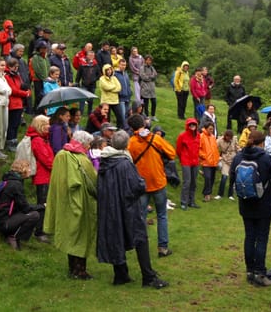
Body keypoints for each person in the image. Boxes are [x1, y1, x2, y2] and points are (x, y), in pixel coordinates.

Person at [97, 129, 169, 289]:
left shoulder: (105, 161)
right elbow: (136, 186)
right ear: (125, 145)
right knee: (140, 238)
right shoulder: (124, 163)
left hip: (111, 207)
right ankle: (148, 277)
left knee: (117, 237)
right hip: (127, 206)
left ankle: (120, 275)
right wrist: (141, 182)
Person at [44, 130, 98, 280]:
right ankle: (80, 270)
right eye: (88, 145)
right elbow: (93, 183)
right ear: (83, 144)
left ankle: (72, 268)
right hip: (80, 203)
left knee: (69, 235)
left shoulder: (60, 155)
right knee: (81, 235)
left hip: (63, 202)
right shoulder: (82, 160)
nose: (88, 148)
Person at [230, 130, 271, 287]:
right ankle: (260, 272)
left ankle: (250, 271)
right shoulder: (266, 158)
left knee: (249, 236)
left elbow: (232, 178)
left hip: (245, 204)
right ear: (262, 142)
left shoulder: (238, 157)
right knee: (262, 238)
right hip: (264, 204)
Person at [127, 114, 177, 258]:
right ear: (143, 123)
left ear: (131, 127)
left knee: (141, 217)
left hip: (141, 184)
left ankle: (142, 248)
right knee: (162, 215)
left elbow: (128, 161)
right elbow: (172, 153)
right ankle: (163, 248)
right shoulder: (156, 138)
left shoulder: (131, 143)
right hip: (158, 181)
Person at [0, 159, 44, 250]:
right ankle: (13, 237)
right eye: (29, 168)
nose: (30, 170)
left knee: (28, 213)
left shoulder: (9, 180)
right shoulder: (16, 185)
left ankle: (6, 233)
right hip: (4, 222)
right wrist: (42, 206)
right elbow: (25, 208)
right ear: (23, 169)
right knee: (34, 215)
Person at [25, 115, 53, 243]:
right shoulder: (37, 140)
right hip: (43, 177)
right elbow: (46, 160)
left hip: (46, 176)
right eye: (47, 124)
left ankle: (41, 229)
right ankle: (38, 231)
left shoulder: (43, 139)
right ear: (41, 125)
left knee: (45, 204)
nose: (50, 126)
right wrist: (56, 166)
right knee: (42, 204)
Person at [4, 57, 31, 152]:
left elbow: (21, 85)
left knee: (16, 124)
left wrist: (27, 90)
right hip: (12, 103)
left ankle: (14, 140)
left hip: (19, 103)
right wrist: (25, 93)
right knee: (11, 124)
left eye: (17, 67)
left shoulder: (17, 75)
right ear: (10, 67)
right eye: (15, 67)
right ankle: (10, 141)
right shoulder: (7, 76)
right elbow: (13, 90)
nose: (16, 69)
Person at [176, 118, 201, 210]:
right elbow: (178, 149)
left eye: (194, 125)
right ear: (187, 126)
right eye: (190, 125)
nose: (192, 126)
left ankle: (191, 201)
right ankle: (184, 202)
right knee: (187, 182)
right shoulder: (182, 136)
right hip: (186, 161)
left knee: (194, 182)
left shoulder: (198, 135)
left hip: (195, 161)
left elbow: (198, 148)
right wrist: (182, 158)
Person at [199, 122, 220, 202]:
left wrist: (217, 158)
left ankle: (208, 193)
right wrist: (204, 156)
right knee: (207, 177)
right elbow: (198, 148)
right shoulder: (201, 136)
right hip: (206, 161)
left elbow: (215, 149)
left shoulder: (213, 137)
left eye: (212, 129)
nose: (211, 130)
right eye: (210, 129)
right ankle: (207, 194)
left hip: (214, 161)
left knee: (212, 178)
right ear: (206, 128)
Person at [216, 129, 239, 200]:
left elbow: (237, 148)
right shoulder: (220, 140)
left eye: (230, 137)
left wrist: (240, 152)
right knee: (224, 177)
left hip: (233, 160)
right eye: (228, 137)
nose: (229, 138)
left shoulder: (234, 139)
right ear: (225, 136)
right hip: (225, 160)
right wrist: (218, 157)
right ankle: (220, 194)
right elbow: (214, 148)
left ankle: (230, 195)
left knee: (232, 178)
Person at [75, 49, 99, 114]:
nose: (91, 57)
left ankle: (90, 112)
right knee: (82, 98)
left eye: (92, 55)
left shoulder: (95, 64)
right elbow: (79, 74)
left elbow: (98, 74)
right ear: (87, 56)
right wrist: (77, 82)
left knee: (91, 99)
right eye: (90, 55)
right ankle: (80, 112)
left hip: (92, 85)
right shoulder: (82, 64)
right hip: (84, 84)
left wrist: (94, 79)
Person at [138, 54, 158, 120]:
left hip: (152, 89)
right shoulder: (142, 68)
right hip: (145, 88)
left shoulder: (152, 68)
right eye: (148, 60)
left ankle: (153, 115)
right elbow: (143, 77)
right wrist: (150, 77)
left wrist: (149, 77)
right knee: (145, 103)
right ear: (145, 60)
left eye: (150, 60)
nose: (149, 61)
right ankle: (146, 116)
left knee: (154, 102)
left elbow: (155, 75)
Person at [114, 59, 131, 128]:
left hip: (127, 97)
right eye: (122, 65)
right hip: (120, 98)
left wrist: (130, 92)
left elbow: (128, 84)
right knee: (122, 115)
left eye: (124, 65)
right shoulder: (115, 74)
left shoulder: (126, 74)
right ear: (119, 65)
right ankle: (122, 128)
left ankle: (124, 128)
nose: (123, 66)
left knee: (126, 115)